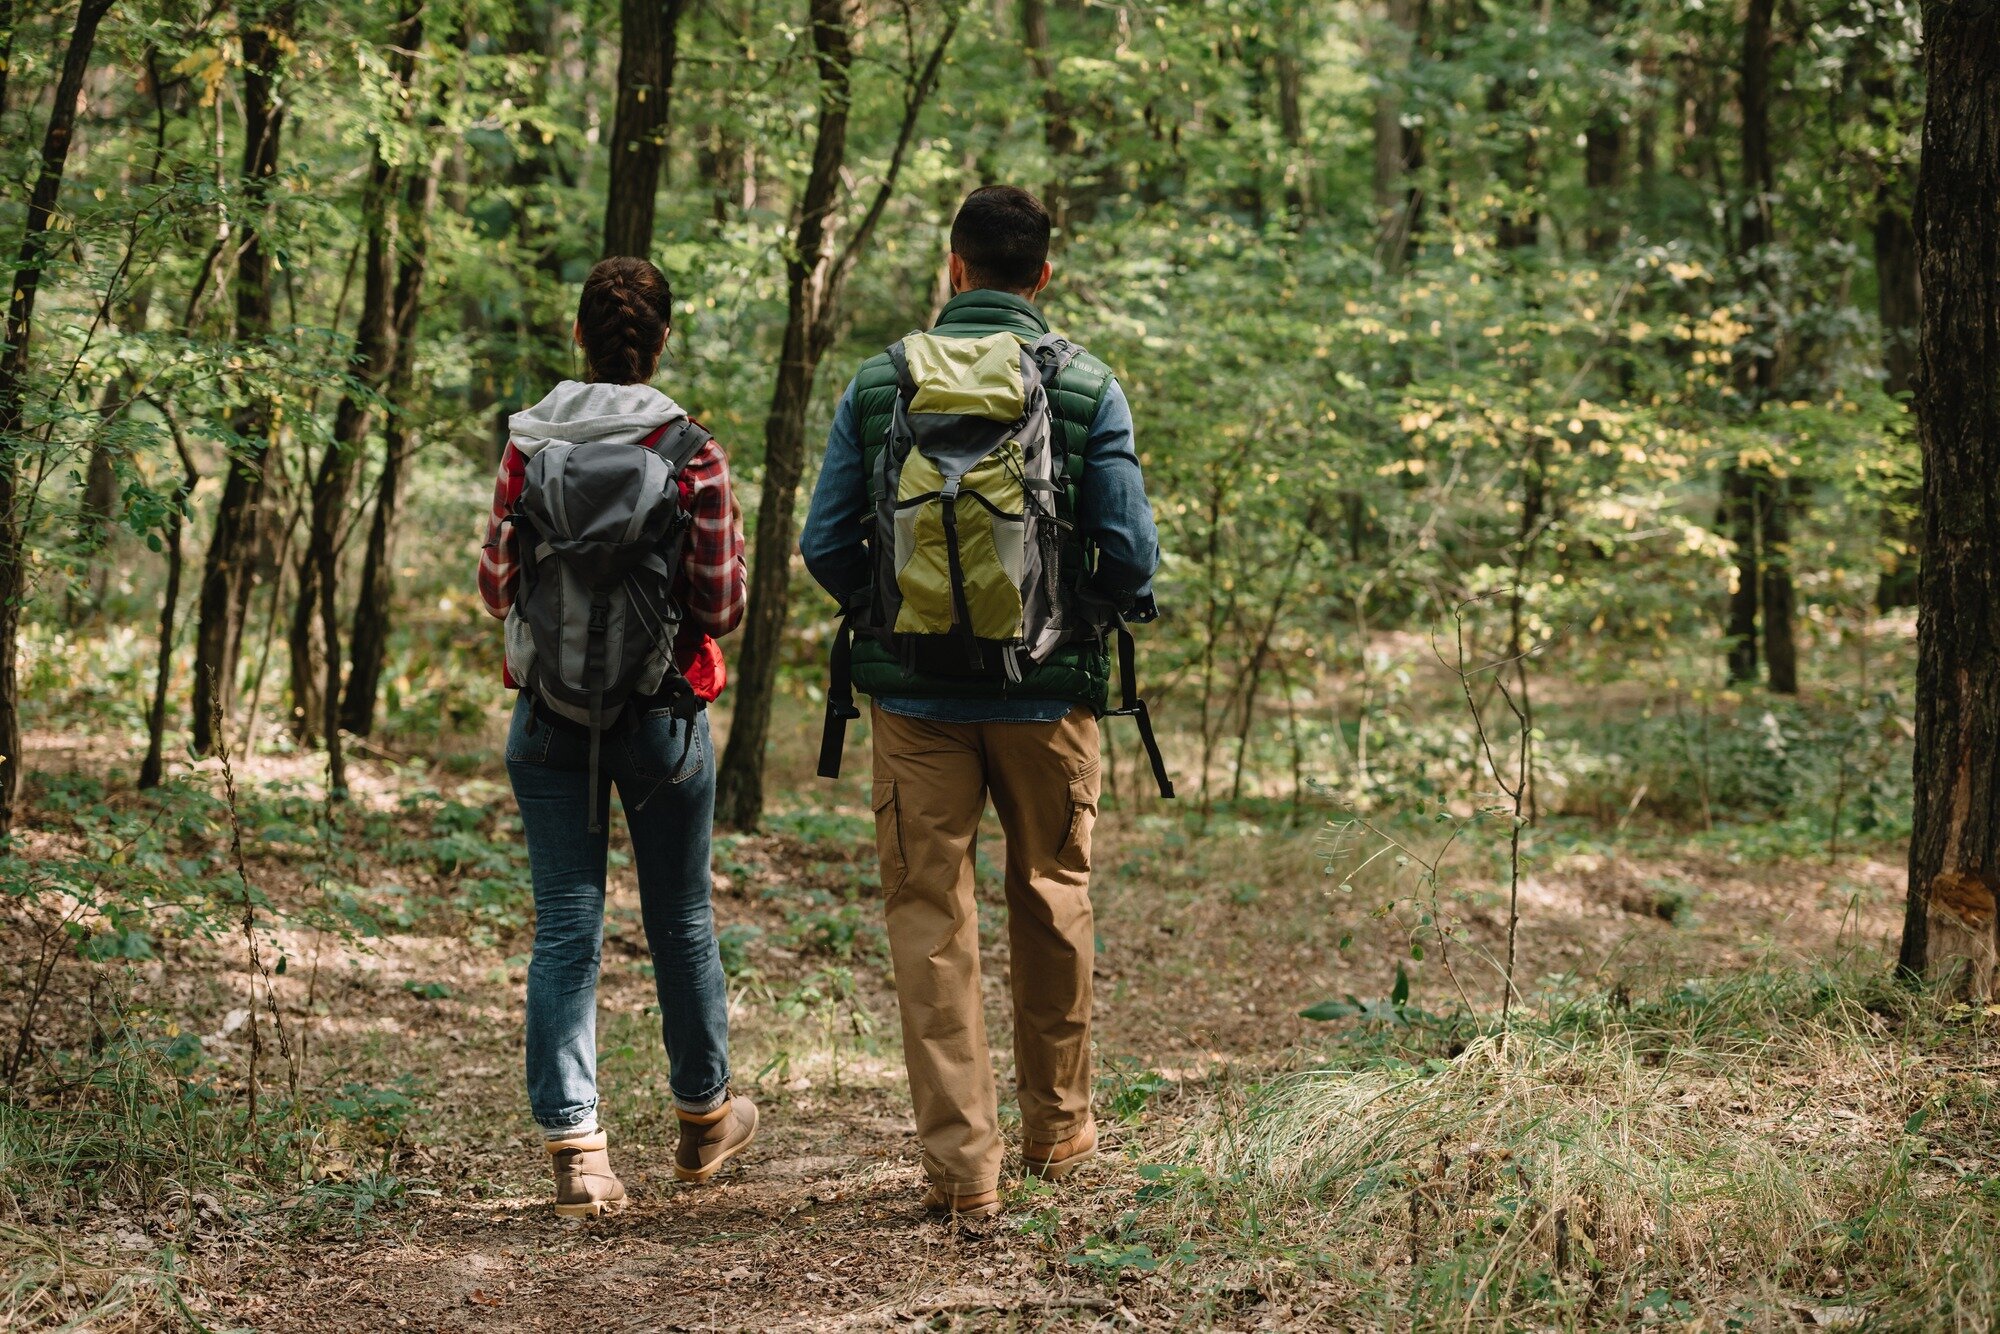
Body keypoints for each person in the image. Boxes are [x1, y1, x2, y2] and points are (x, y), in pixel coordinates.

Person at [800, 186, 1162, 1218]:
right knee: (1051, 894)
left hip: (915, 704)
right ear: (1041, 276)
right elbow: (1129, 553)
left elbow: (826, 542)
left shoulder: (879, 384)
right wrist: (1076, 615)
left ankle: (963, 1170)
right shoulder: (1086, 383)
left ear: (952, 266)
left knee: (929, 917)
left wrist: (900, 612)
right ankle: (1060, 1131)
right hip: (1047, 700)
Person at [478, 256, 758, 1217]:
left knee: (567, 924)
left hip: (550, 716)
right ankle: (703, 1123)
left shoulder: (528, 442)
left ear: (578, 339)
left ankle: (578, 1153)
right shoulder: (693, 450)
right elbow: (719, 606)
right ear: (664, 342)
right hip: (664, 717)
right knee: (680, 920)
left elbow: (495, 587)